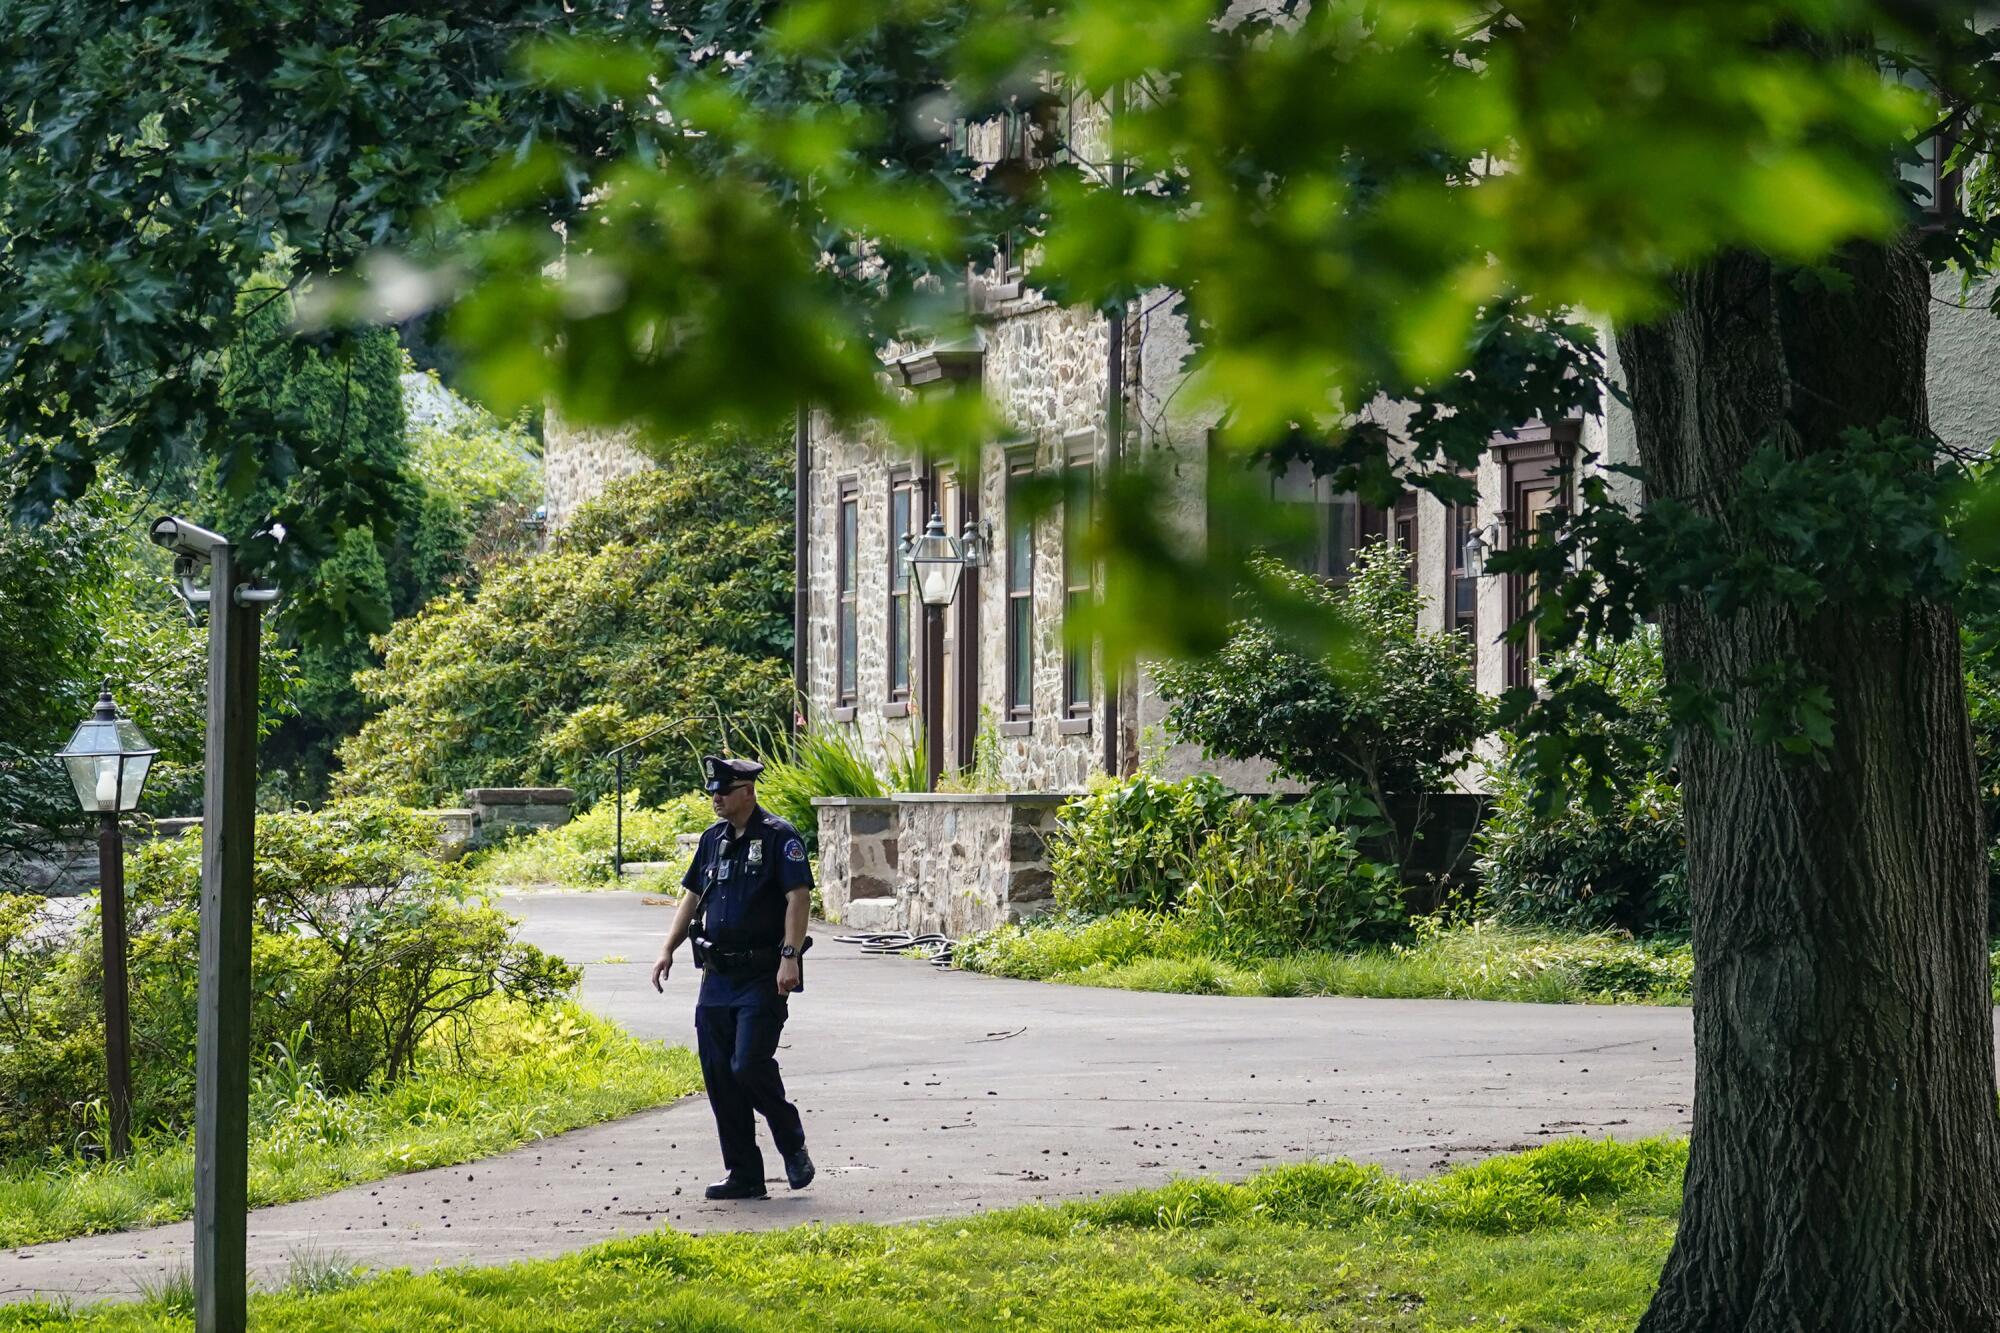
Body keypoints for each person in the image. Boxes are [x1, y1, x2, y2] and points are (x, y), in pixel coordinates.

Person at [650, 754, 815, 1200]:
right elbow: (691, 896)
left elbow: (798, 899)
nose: (716, 799)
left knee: (748, 1064)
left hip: (763, 974)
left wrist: (790, 956)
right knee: (721, 1075)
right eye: (713, 792)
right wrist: (668, 948)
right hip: (717, 977)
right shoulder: (712, 840)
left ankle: (790, 1137)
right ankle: (744, 1174)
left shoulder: (780, 837)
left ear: (747, 791)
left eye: (724, 791)